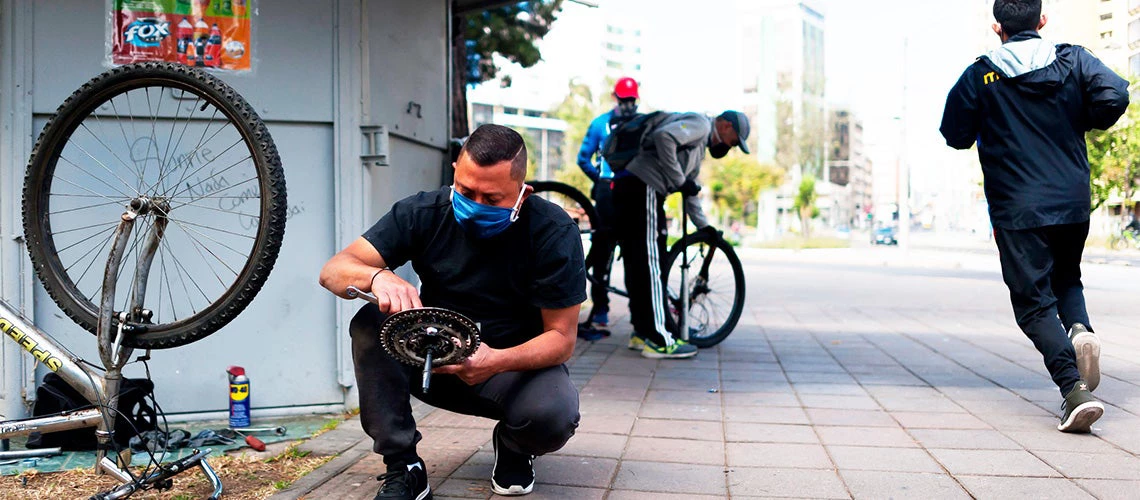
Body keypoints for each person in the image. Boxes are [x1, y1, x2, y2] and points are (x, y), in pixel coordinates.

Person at [319, 124, 585, 499]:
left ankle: (514, 446)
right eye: (465, 191)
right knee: (370, 322)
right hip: (432, 360)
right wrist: (378, 277)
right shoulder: (422, 211)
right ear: (455, 171)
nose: (475, 205)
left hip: (509, 368)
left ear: (522, 195)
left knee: (553, 416)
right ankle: (404, 466)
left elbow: (561, 339)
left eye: (491, 199)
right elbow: (333, 271)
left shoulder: (553, 232)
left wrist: (495, 361)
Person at [940, 0, 1128, 433]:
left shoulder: (980, 75)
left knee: (1033, 304)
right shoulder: (1073, 59)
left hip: (1017, 206)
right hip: (1072, 200)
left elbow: (955, 135)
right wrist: (1084, 116)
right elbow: (1115, 93)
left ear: (996, 27)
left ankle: (1074, 390)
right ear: (1042, 21)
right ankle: (1079, 329)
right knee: (1066, 279)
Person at [615, 110, 750, 359]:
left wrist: (704, 227)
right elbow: (663, 136)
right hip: (644, 186)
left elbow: (690, 191)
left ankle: (642, 332)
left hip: (634, 186)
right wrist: (678, 180)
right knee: (652, 263)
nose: (730, 148)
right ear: (726, 125)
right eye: (733, 142)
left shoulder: (696, 150)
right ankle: (660, 339)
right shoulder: (700, 125)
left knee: (638, 264)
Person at [575, 76, 640, 338]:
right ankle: (600, 312)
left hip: (633, 194)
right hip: (607, 193)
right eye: (624, 99)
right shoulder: (600, 124)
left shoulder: (640, 123)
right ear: (616, 97)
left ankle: (640, 317)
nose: (628, 104)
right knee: (602, 255)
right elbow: (583, 159)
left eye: (631, 100)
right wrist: (600, 179)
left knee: (636, 255)